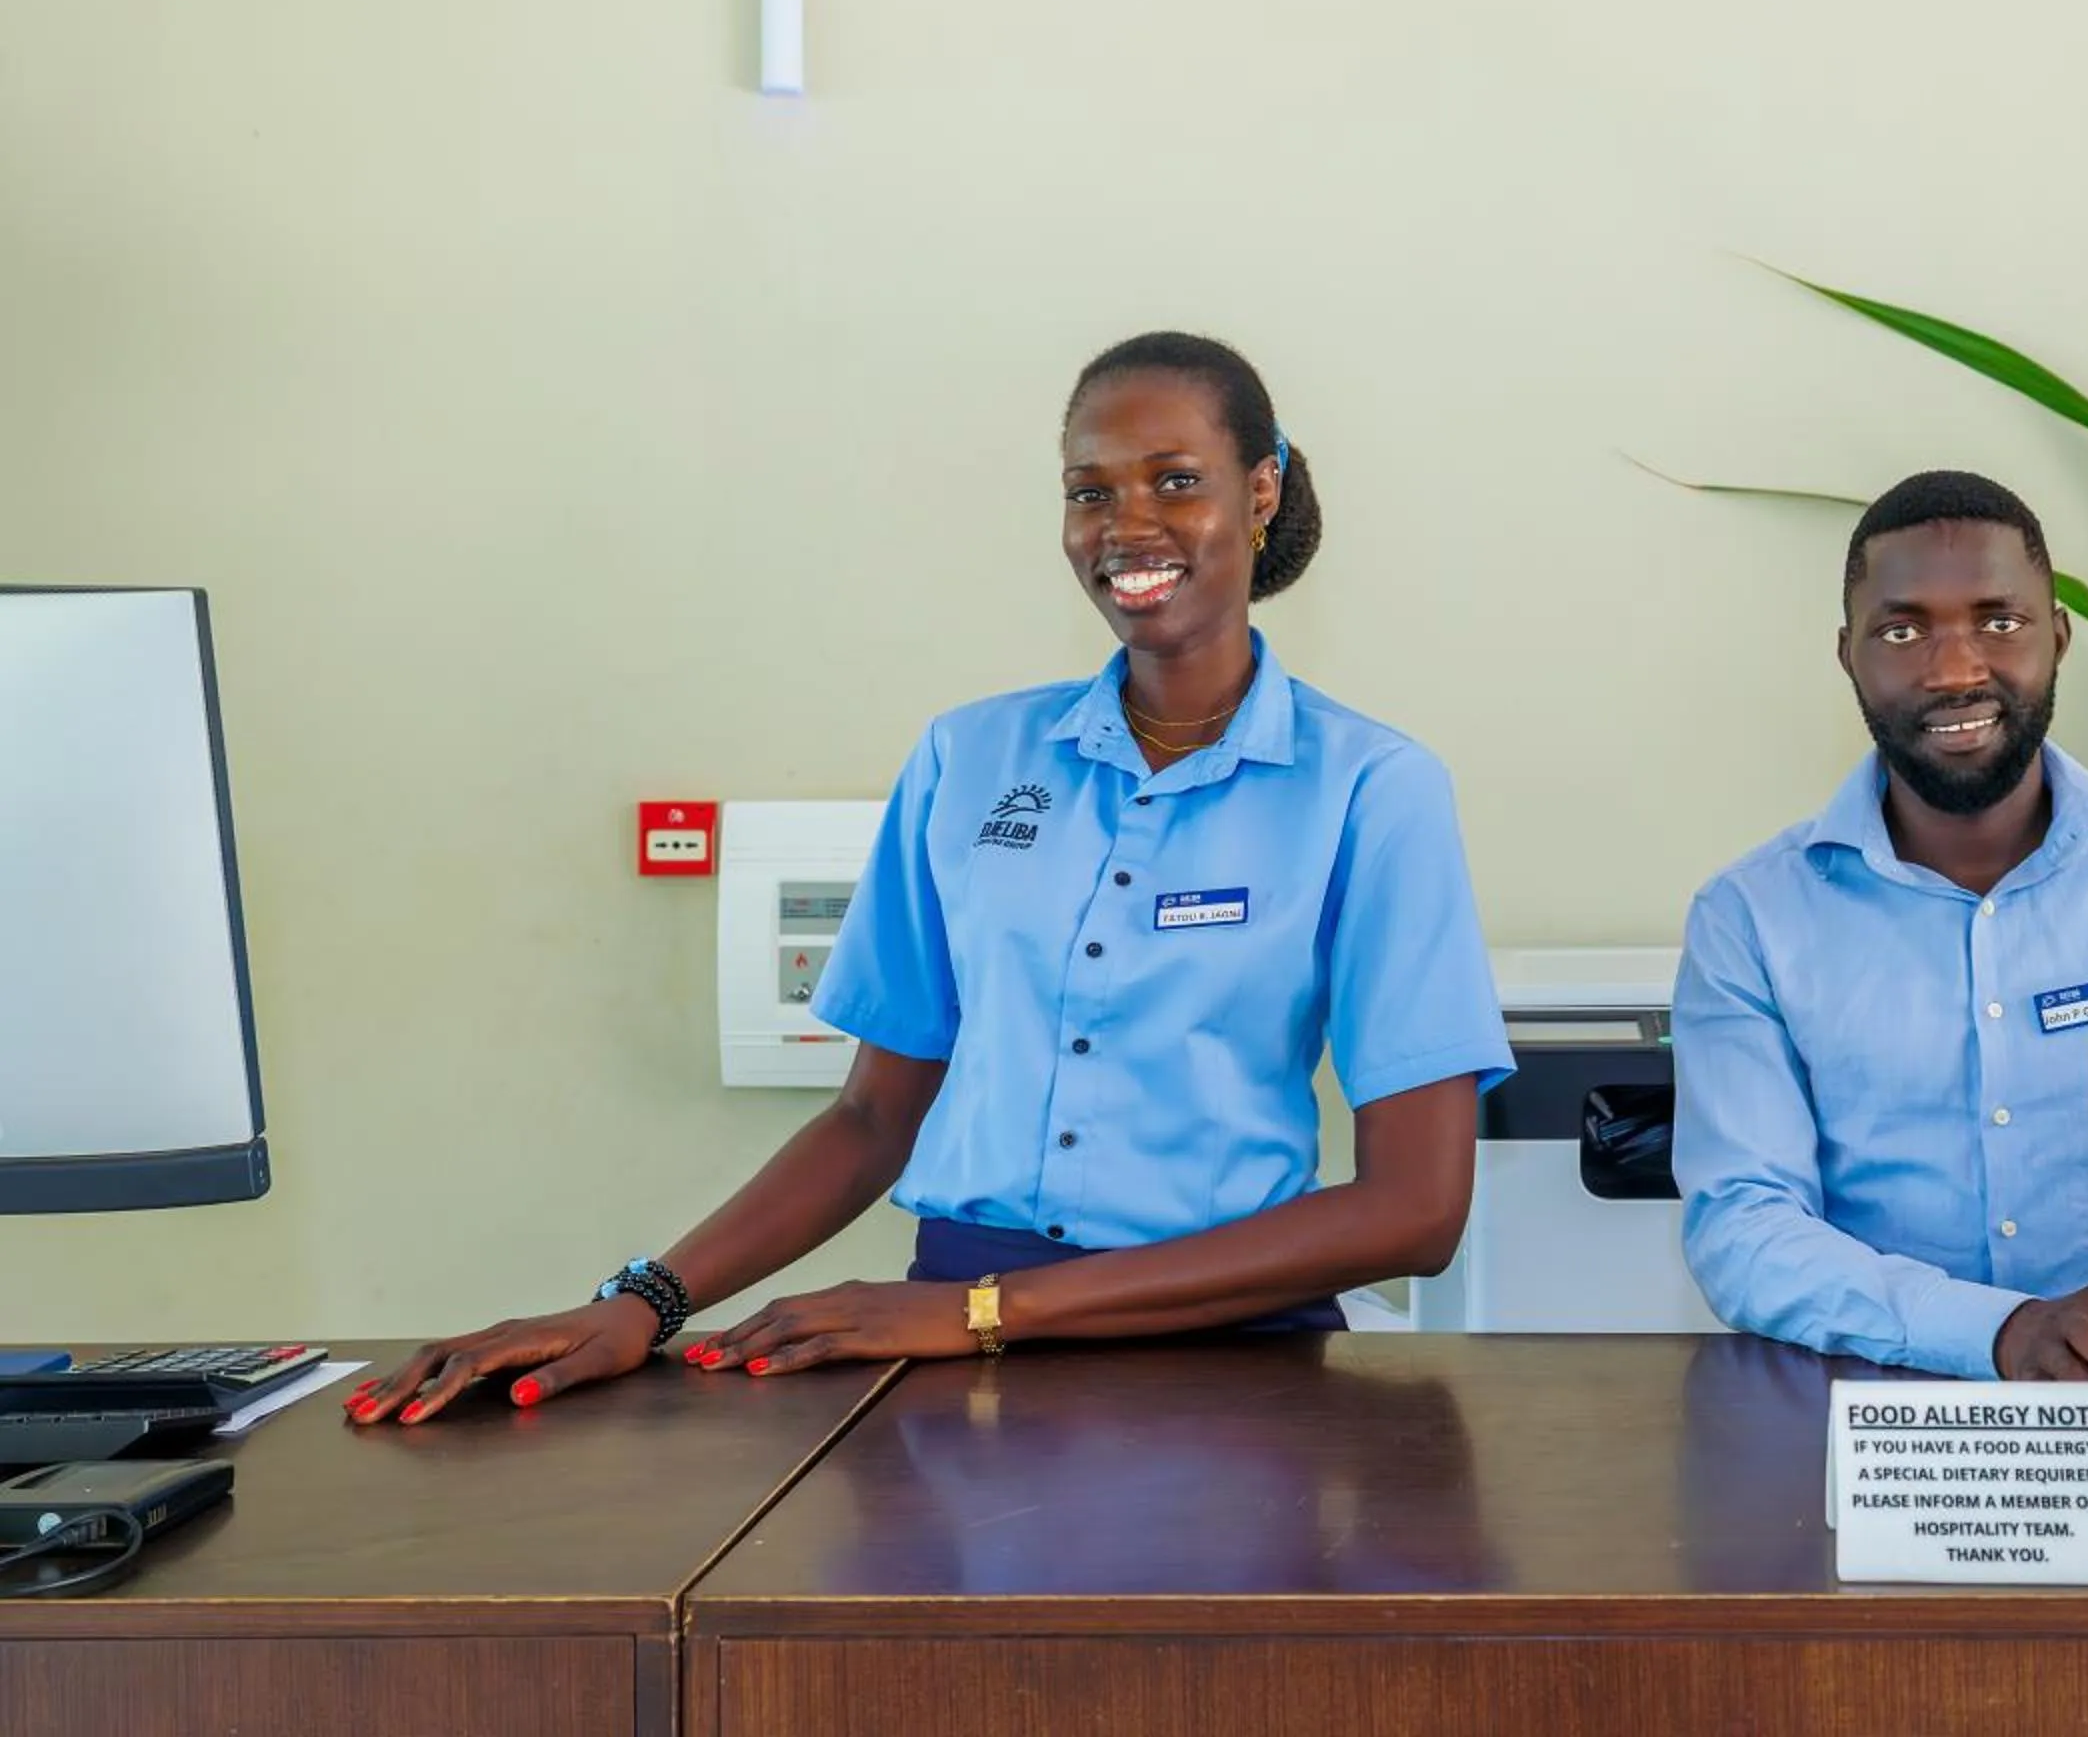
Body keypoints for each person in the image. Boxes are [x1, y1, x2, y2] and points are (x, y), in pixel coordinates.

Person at [352, 333, 1512, 1426]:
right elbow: (871, 1117)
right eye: (1090, 490)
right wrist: (641, 1300)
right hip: (946, 1354)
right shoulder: (970, 759)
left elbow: (1415, 1208)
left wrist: (988, 1314)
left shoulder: (1371, 788)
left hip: (1231, 1363)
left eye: (1174, 480)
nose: (1127, 524)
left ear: (1260, 493)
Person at [1671, 470, 2088, 1383]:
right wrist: (2001, 1331)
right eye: (1902, 630)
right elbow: (1744, 1229)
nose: (1956, 670)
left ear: (2060, 637)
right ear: (1848, 654)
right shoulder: (1751, 918)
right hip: (1872, 1423)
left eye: (1999, 622)